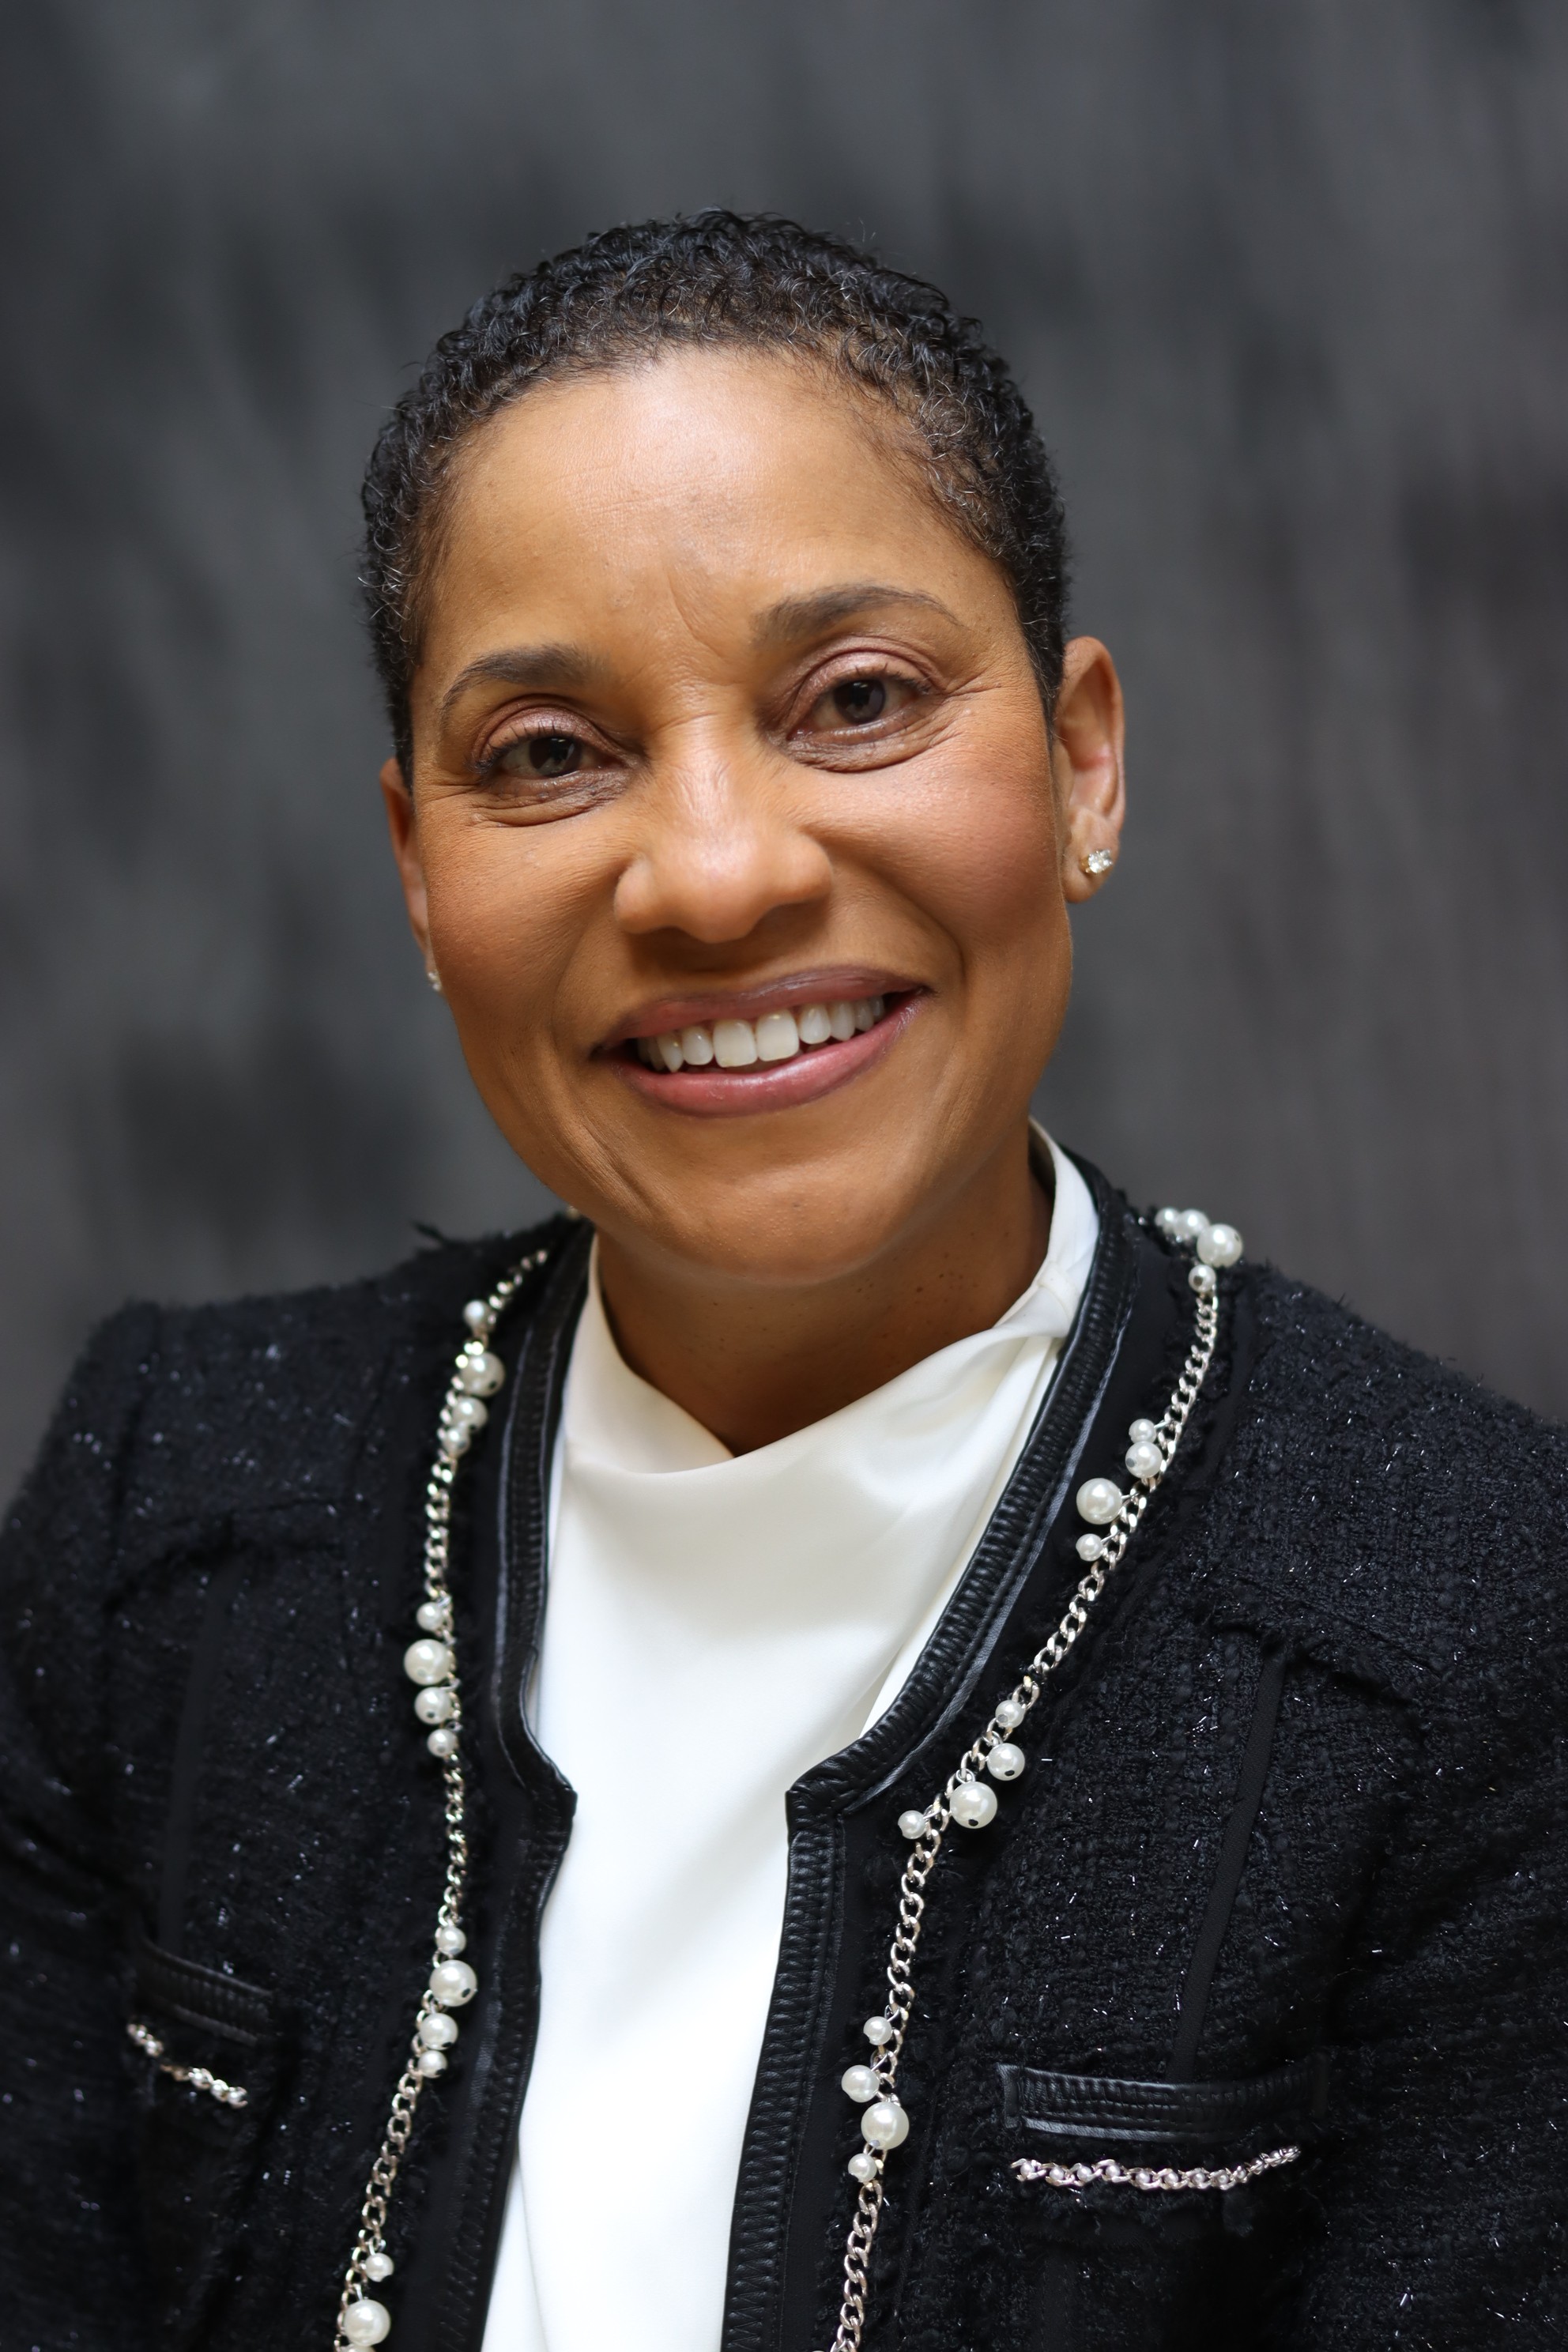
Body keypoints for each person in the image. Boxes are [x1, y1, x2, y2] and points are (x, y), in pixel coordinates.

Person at [2, 211, 1564, 2352]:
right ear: (418, 872)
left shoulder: (1474, 1629)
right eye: (548, 754)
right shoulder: (169, 1509)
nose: (719, 875)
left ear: (1084, 762)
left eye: (859, 701)